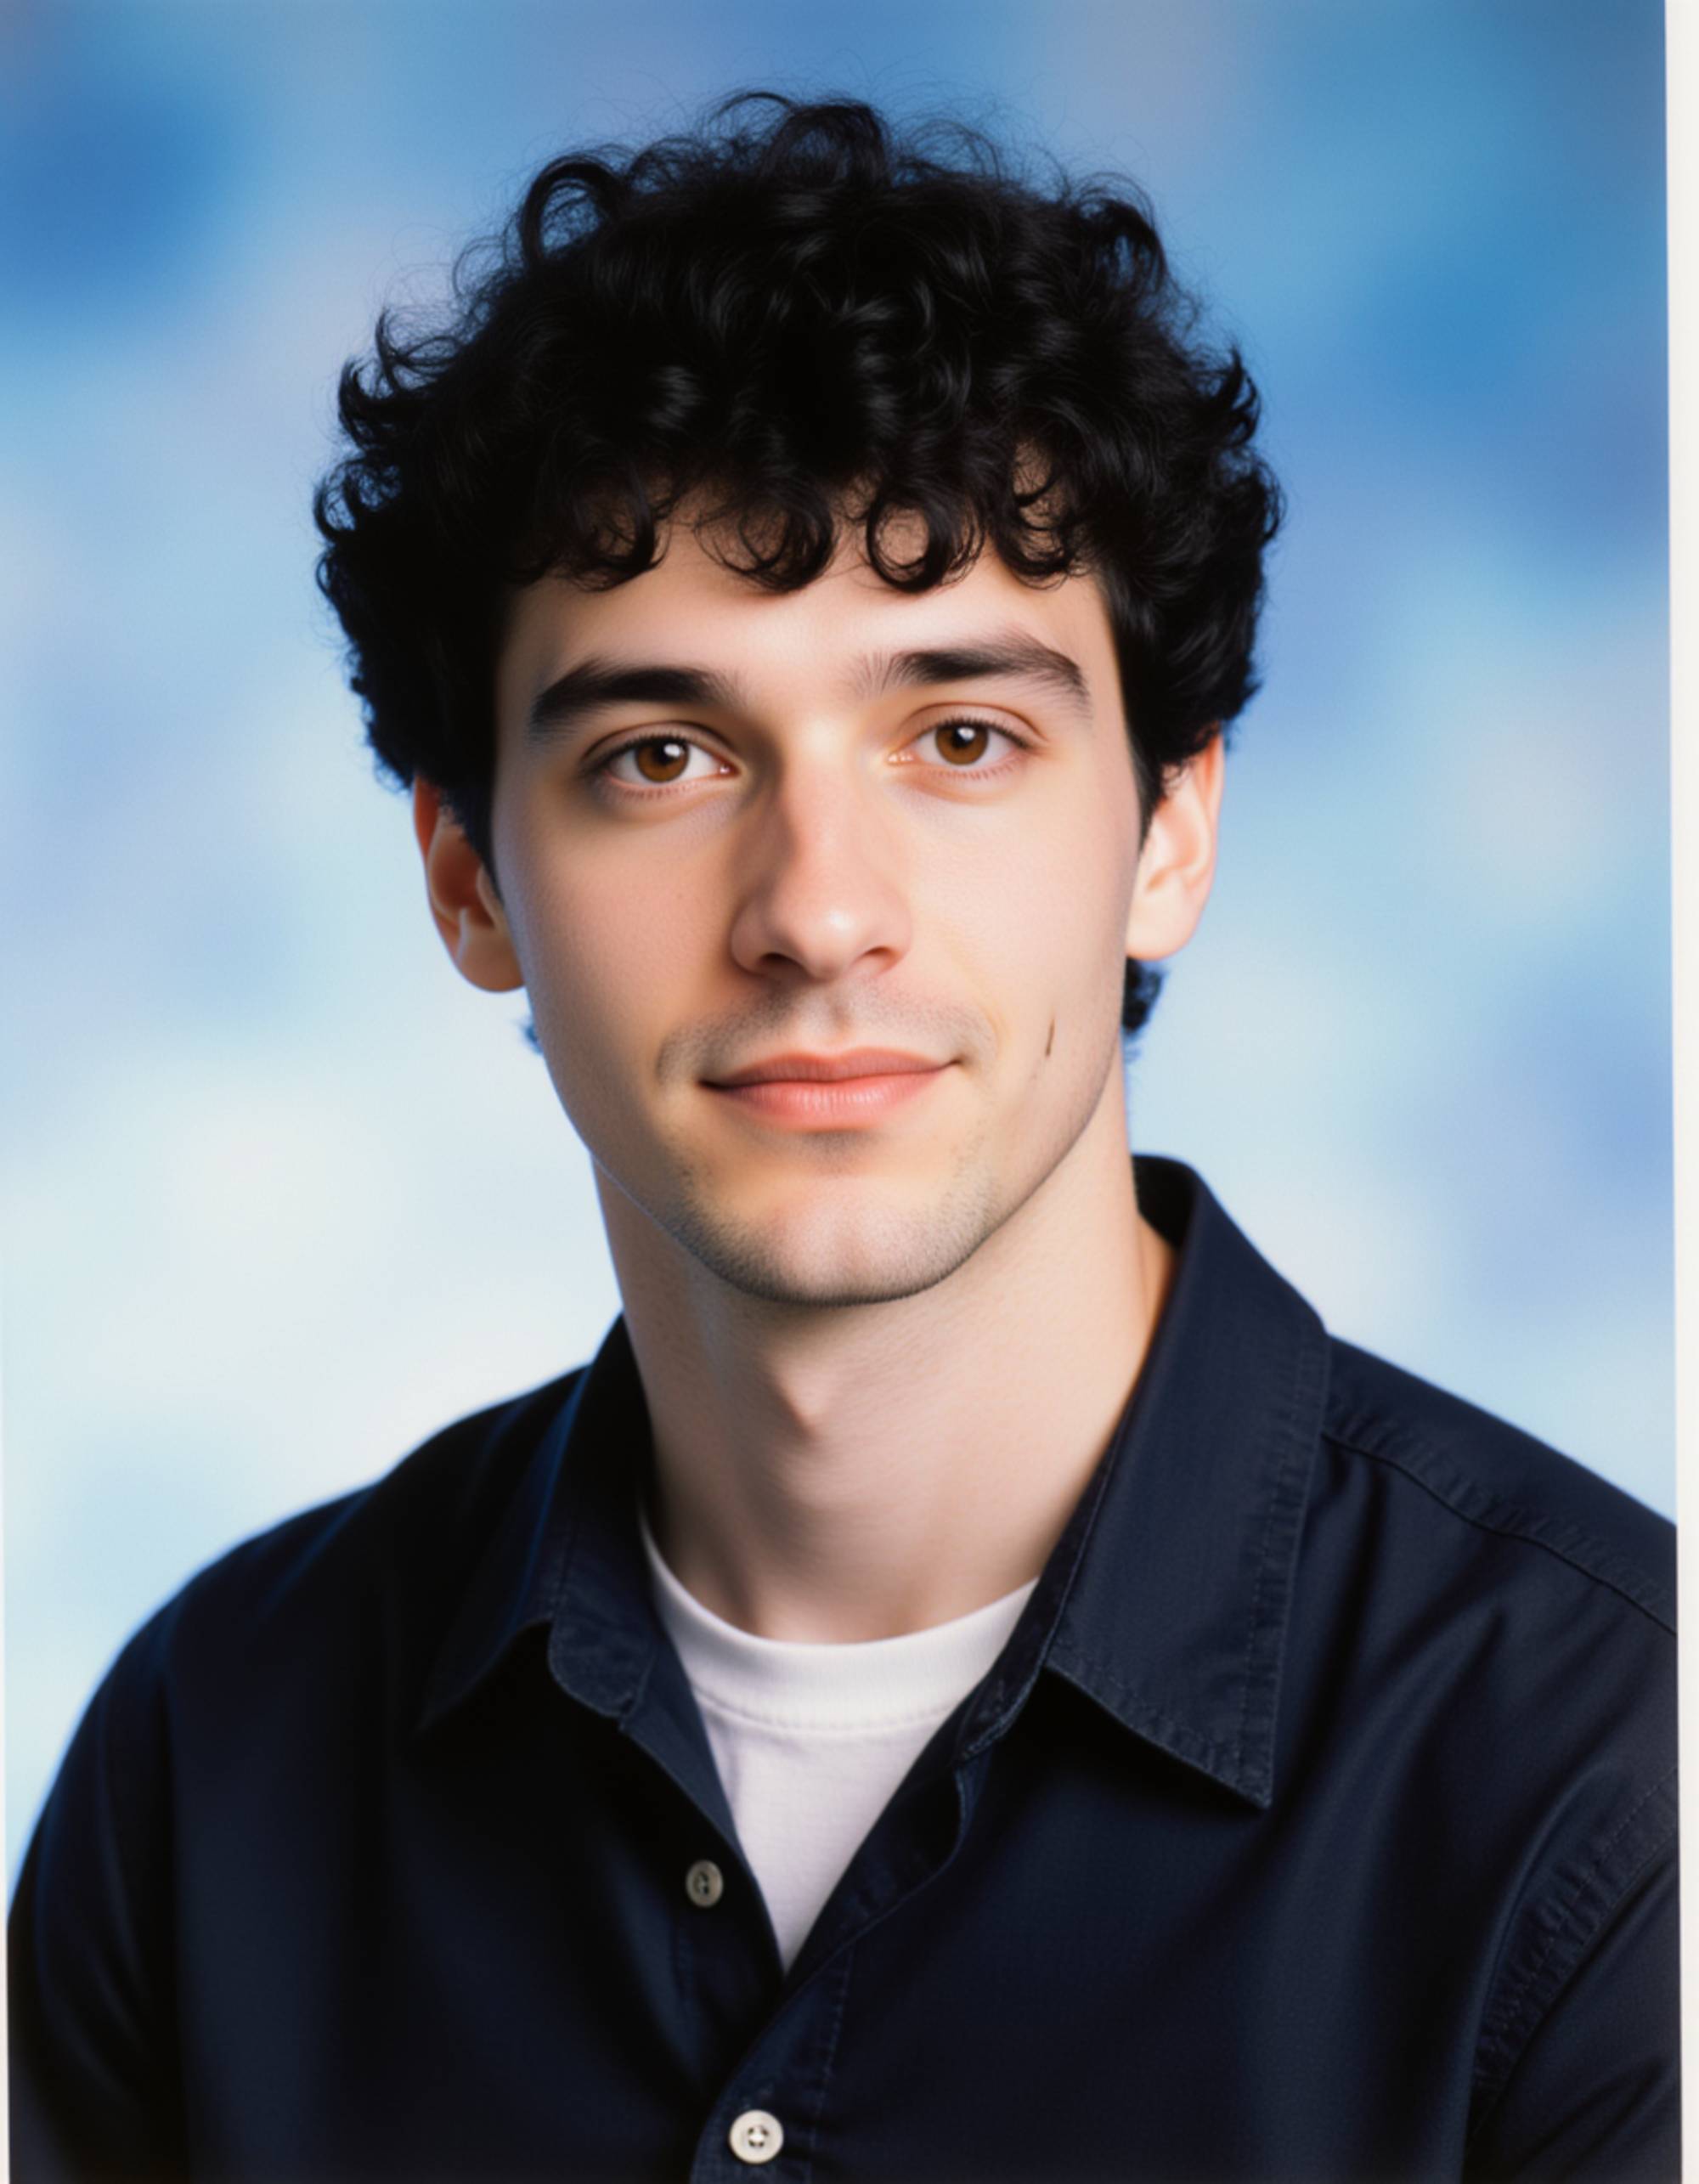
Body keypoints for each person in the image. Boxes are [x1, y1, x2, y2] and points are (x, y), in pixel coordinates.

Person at [9, 90, 1676, 2184]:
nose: (815, 905)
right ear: (465, 880)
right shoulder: (211, 1767)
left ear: (1168, 832)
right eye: (663, 752)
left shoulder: (1616, 1787)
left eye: (959, 735)